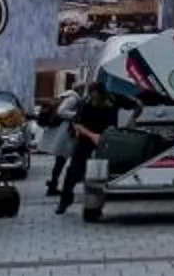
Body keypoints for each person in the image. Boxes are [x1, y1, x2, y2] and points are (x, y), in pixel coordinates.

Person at [54, 79, 126, 214]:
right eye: (93, 98)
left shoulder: (113, 99)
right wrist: (93, 136)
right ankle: (65, 200)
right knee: (74, 170)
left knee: (114, 168)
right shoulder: (84, 104)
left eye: (99, 98)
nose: (96, 101)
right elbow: (77, 125)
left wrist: (132, 120)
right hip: (86, 138)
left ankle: (105, 198)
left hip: (109, 139)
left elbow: (137, 104)